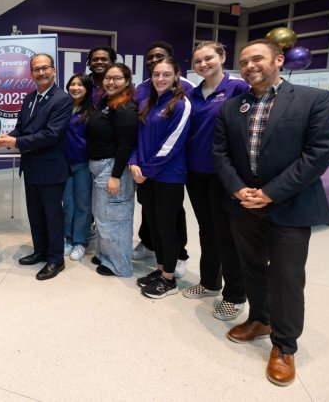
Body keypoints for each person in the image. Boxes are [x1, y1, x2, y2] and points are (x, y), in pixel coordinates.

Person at [213, 39, 329, 386]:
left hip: (290, 204)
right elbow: (220, 153)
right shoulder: (232, 107)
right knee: (252, 267)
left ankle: (284, 346)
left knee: (286, 276)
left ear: (279, 60)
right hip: (243, 205)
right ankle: (260, 319)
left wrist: (269, 193)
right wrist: (239, 189)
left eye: (258, 59)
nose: (250, 66)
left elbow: (317, 155)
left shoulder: (315, 101)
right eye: (244, 61)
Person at [182, 42, 250, 321]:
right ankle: (210, 283)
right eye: (197, 61)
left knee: (228, 235)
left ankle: (235, 296)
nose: (203, 64)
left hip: (226, 175)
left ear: (222, 58)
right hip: (196, 173)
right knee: (207, 230)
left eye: (208, 58)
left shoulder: (238, 89)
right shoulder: (193, 93)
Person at [0, 53, 73, 280]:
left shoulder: (62, 99)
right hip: (30, 167)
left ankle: (55, 259)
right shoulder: (30, 98)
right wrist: (8, 137)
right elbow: (22, 127)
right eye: (36, 69)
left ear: (53, 71)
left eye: (44, 68)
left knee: (52, 216)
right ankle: (40, 250)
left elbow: (51, 134)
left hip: (51, 169)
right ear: (31, 74)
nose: (40, 73)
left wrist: (17, 142)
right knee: (36, 214)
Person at [130, 57, 191, 299]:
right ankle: (160, 269)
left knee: (167, 226)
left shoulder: (181, 104)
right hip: (145, 175)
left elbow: (172, 144)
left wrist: (146, 170)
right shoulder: (146, 103)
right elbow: (136, 138)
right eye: (156, 74)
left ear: (176, 76)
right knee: (152, 224)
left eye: (166, 74)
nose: (161, 79)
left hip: (168, 177)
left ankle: (169, 279)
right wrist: (134, 163)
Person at [85, 64, 138, 277]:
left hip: (112, 168)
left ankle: (119, 266)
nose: (111, 82)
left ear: (126, 81)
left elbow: (126, 144)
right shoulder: (108, 102)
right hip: (100, 167)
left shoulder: (126, 108)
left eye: (117, 78)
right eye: (108, 78)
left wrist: (116, 176)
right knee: (103, 216)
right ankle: (106, 256)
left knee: (115, 219)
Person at [62, 74, 95, 261]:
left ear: (87, 88)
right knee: (68, 204)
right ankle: (68, 239)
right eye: (72, 84)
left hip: (83, 163)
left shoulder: (92, 111)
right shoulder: (64, 107)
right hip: (64, 163)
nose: (75, 87)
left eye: (80, 85)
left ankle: (80, 242)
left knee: (83, 205)